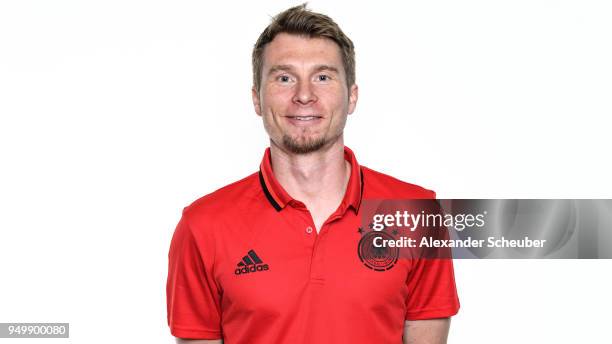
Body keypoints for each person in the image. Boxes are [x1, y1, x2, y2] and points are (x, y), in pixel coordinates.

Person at [166, 4, 459, 343]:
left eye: (323, 77)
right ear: (256, 100)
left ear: (351, 97)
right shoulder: (203, 226)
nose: (304, 95)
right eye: (284, 78)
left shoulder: (417, 212)